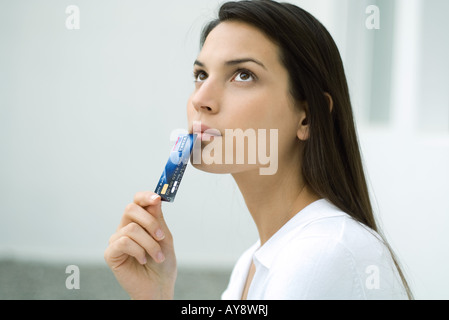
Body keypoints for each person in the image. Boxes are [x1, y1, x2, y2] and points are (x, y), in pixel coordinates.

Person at [104, 0, 412, 300]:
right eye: (201, 75)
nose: (201, 100)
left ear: (308, 117)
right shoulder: (252, 262)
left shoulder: (322, 253)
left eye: (243, 75)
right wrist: (155, 296)